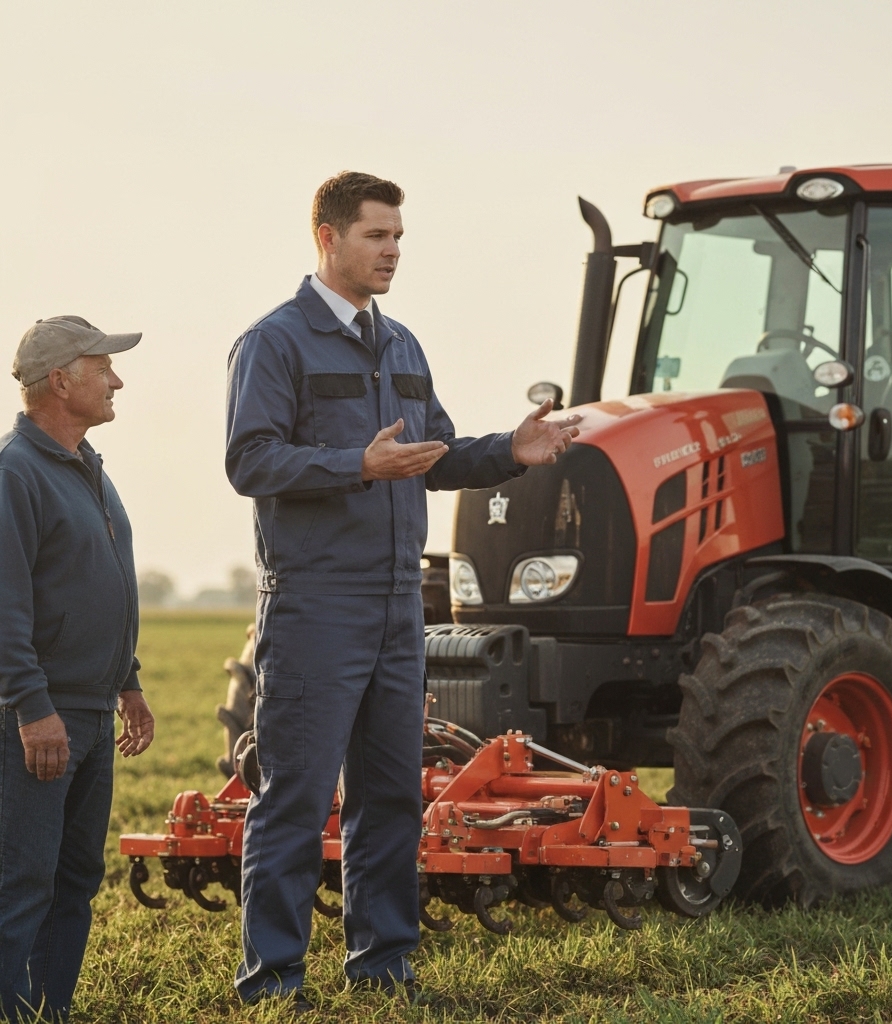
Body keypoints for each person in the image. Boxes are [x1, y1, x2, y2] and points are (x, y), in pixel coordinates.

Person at [226, 171, 580, 1010]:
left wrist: (510, 448)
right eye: (376, 237)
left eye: (398, 239)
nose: (391, 252)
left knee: (388, 793)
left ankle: (382, 963)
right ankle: (272, 977)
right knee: (298, 796)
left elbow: (439, 454)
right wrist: (357, 464)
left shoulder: (404, 346)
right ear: (329, 237)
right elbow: (250, 462)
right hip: (316, 603)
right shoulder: (275, 342)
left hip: (397, 608)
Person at [0, 316, 155, 1022]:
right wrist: (33, 709)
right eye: (103, 367)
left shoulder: (90, 468)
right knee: (22, 880)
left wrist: (129, 679)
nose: (117, 379)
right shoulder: (15, 472)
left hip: (92, 712)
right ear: (62, 381)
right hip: (38, 719)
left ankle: (48, 1013)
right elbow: (6, 605)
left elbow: (100, 585)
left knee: (75, 879)